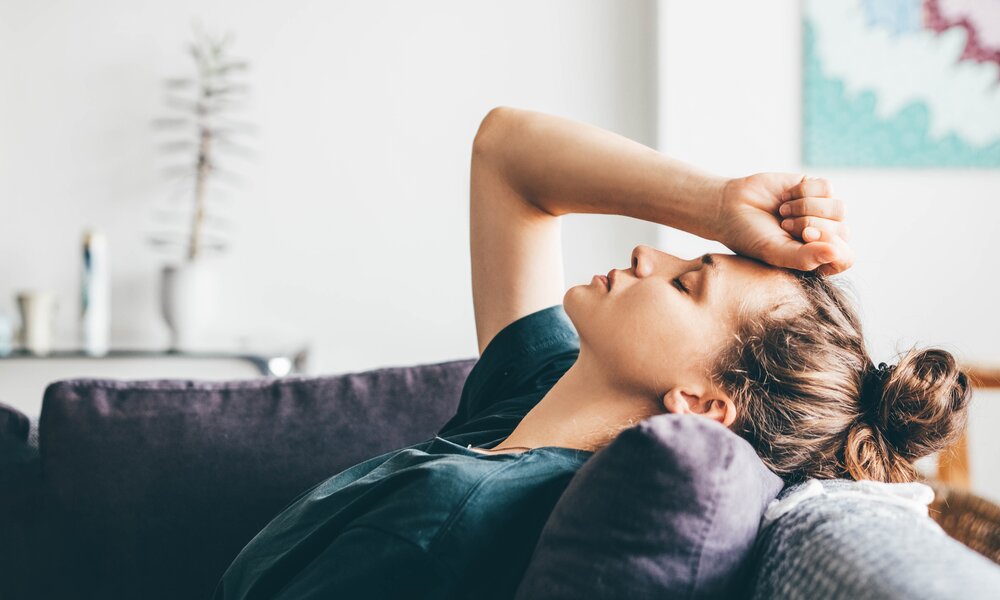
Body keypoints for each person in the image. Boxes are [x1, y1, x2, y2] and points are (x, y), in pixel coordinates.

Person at [213, 107, 971, 599]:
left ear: (703, 403)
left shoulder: (451, 516)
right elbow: (507, 154)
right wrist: (717, 203)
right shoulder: (538, 396)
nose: (649, 252)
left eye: (686, 285)